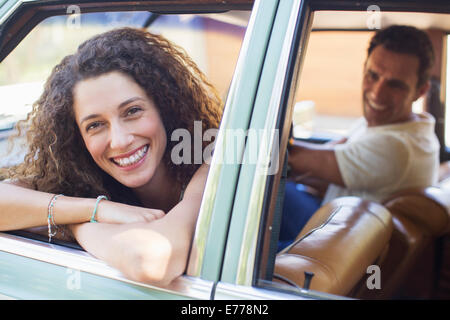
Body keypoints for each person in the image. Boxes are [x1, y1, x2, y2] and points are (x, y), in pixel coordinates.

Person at [0, 27, 223, 286]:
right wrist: (98, 209)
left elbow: (149, 261)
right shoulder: (83, 183)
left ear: (164, 106)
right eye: (95, 125)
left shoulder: (212, 164)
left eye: (132, 111)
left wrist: (76, 224)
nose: (119, 140)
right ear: (77, 138)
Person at [279, 25, 440, 251]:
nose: (376, 93)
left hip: (336, 245)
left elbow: (290, 157)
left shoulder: (397, 147)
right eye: (372, 75)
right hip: (336, 222)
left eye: (395, 85)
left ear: (420, 91)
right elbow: (320, 161)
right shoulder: (398, 124)